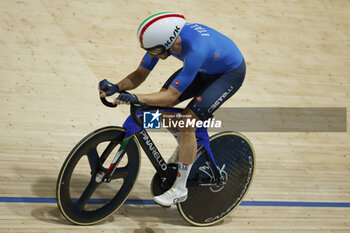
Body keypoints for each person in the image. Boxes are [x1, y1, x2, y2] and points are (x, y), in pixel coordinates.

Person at [99, 12, 246, 207]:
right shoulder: (161, 42)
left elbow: (171, 96)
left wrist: (135, 97)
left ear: (168, 43)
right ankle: (186, 141)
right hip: (203, 69)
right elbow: (139, 74)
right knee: (161, 106)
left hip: (228, 75)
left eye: (154, 51)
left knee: (186, 122)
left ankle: (180, 188)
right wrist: (117, 87)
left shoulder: (195, 49)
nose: (151, 55)